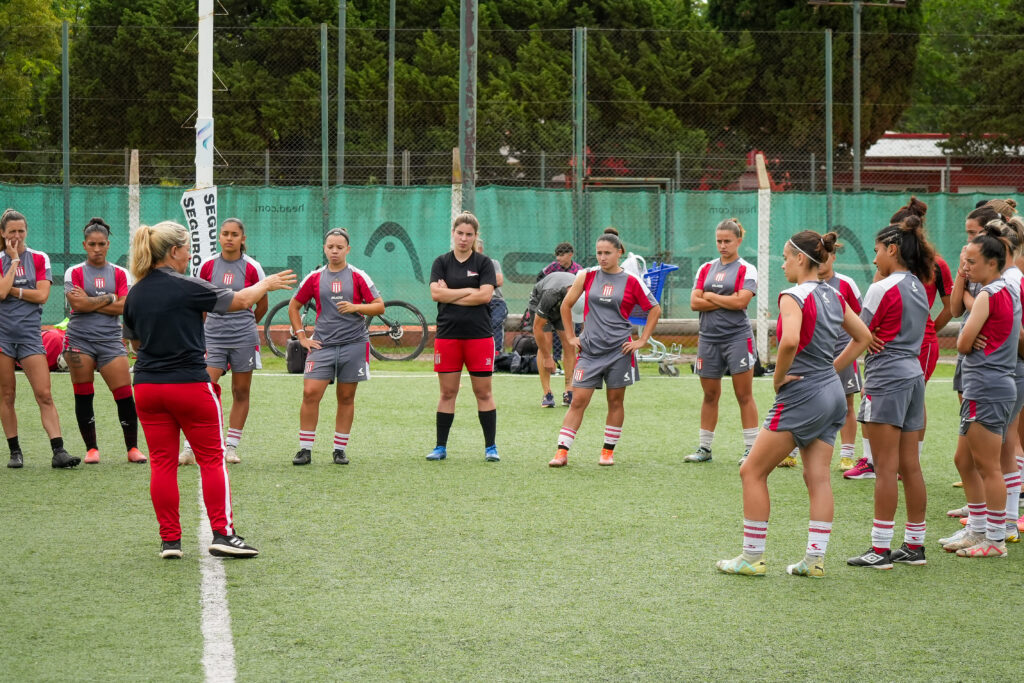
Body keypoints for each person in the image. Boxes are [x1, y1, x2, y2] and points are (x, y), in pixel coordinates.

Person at [123, 220, 295, 559]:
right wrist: (268, 283)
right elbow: (243, 299)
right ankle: (223, 534)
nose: (189, 255)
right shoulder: (188, 286)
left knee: (161, 464)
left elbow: (135, 342)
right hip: (188, 385)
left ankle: (170, 541)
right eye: (186, 249)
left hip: (146, 387)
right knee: (212, 459)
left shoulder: (136, 292)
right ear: (173, 252)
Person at [715, 231, 871, 577]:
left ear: (801, 259)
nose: (783, 264)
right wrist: (832, 370)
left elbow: (789, 341)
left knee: (751, 471)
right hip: (832, 394)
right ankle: (814, 561)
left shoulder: (792, 295)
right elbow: (864, 337)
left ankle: (751, 558)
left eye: (786, 257)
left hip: (803, 393)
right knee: (818, 478)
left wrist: (777, 377)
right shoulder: (834, 293)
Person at [847, 219, 933, 569]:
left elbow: (859, 333)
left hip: (887, 378)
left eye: (878, 250)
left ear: (892, 249)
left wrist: (829, 367)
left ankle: (880, 549)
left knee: (884, 467)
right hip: (913, 375)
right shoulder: (916, 284)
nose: (875, 257)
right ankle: (915, 545)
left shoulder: (881, 287)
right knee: (910, 466)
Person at [941, 224, 1023, 558]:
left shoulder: (991, 293)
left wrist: (970, 339)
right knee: (964, 459)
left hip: (989, 385)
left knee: (989, 466)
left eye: (972, 262)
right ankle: (977, 529)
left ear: (992, 262)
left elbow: (961, 343)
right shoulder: (1005, 289)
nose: (966, 268)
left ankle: (995, 538)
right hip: (987, 385)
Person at [549, 227, 660, 467]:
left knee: (615, 401)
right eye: (599, 252)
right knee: (578, 400)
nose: (602, 257)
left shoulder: (632, 281)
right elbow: (565, 306)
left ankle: (607, 452)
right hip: (589, 350)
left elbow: (655, 308)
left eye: (607, 252)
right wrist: (570, 337)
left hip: (620, 352)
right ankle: (561, 452)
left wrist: (641, 341)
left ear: (619, 252)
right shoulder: (586, 276)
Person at [290, 228, 384, 466]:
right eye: (330, 246)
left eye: (339, 247)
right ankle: (305, 449)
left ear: (347, 250)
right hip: (322, 345)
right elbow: (294, 306)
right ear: (324, 248)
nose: (334, 251)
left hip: (354, 345)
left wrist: (356, 307)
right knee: (310, 393)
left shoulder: (358, 275)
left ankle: (339, 450)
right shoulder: (314, 277)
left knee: (346, 396)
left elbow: (379, 306)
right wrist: (302, 337)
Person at [179, 218, 267, 465]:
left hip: (244, 339)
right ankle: (189, 448)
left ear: (243, 239)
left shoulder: (253, 267)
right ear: (219, 237)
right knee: (204, 389)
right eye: (225, 234)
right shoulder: (206, 266)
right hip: (213, 339)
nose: (229, 238)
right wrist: (206, 330)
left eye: (234, 234)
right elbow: (200, 304)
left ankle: (231, 447)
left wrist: (246, 324)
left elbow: (262, 305)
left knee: (241, 391)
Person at [62, 217, 145, 465]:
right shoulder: (74, 271)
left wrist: (91, 301)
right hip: (79, 341)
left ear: (108, 244)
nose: (97, 249)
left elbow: (124, 307)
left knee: (124, 395)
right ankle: (92, 450)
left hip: (110, 342)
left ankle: (132, 448)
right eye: (92, 244)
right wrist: (110, 298)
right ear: (84, 245)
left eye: (101, 244)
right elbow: (76, 304)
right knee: (84, 394)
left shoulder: (120, 273)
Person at [0, 209, 79, 469]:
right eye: (11, 231)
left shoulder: (39, 258)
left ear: (26, 231)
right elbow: (1, 294)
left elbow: (42, 295)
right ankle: (15, 452)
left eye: (21, 231)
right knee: (6, 395)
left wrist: (13, 289)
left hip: (30, 337)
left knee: (44, 394)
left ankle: (59, 451)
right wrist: (12, 262)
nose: (17, 236)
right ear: (3, 233)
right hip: (2, 338)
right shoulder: (2, 259)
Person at [427, 212, 500, 462]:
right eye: (460, 233)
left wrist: (453, 292)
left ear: (475, 237)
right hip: (448, 336)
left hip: (479, 336)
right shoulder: (441, 262)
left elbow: (485, 297)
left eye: (469, 234)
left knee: (483, 392)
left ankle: (491, 447)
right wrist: (470, 290)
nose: (464, 238)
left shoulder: (483, 263)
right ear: (453, 234)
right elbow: (436, 295)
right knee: (447, 393)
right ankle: (440, 447)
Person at [686, 218, 759, 465]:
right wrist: (724, 297)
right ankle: (704, 449)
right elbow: (694, 302)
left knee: (744, 395)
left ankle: (751, 450)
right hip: (708, 339)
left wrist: (710, 295)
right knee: (709, 395)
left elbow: (741, 302)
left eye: (728, 241)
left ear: (739, 240)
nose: (723, 245)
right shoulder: (705, 268)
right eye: (719, 241)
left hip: (737, 338)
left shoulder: (746, 269)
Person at [816, 245, 864, 473]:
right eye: (817, 259)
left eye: (825, 258)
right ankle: (794, 451)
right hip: (816, 353)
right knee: (810, 400)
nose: (821, 263)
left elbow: (860, 316)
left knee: (846, 404)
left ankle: (847, 455)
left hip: (843, 352)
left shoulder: (846, 284)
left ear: (833, 257)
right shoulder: (806, 284)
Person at [529, 271, 584, 407]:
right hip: (541, 305)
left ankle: (569, 390)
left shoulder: (585, 291)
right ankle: (547, 394)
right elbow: (538, 328)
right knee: (546, 344)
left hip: (563, 307)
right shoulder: (550, 294)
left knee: (569, 343)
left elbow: (587, 318)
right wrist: (548, 357)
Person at [537, 242, 582, 369]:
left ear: (570, 255)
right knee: (556, 334)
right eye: (557, 255)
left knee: (573, 333)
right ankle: (556, 360)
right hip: (555, 307)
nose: (558, 258)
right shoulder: (552, 267)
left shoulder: (579, 270)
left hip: (572, 308)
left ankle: (575, 363)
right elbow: (540, 278)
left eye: (561, 255)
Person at [475, 238, 507, 353]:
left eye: (475, 248)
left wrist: (476, 282)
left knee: (495, 323)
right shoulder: (465, 266)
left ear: (481, 249)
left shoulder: (492, 263)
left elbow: (499, 280)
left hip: (495, 301)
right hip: (476, 301)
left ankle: (497, 354)